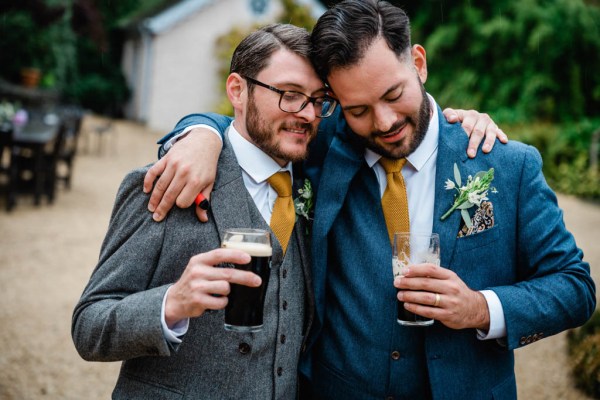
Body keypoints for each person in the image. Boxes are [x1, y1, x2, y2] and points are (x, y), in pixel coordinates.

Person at [144, 1, 596, 399]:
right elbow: (254, 121)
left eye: (393, 95)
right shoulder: (329, 148)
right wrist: (201, 133)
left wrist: (481, 308)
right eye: (357, 109)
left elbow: (575, 287)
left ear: (418, 63)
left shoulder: (507, 165)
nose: (383, 123)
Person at [71, 24, 335, 399]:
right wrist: (170, 304)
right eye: (290, 95)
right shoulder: (168, 183)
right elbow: (89, 327)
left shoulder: (318, 177)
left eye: (318, 99)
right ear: (237, 90)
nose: (307, 114)